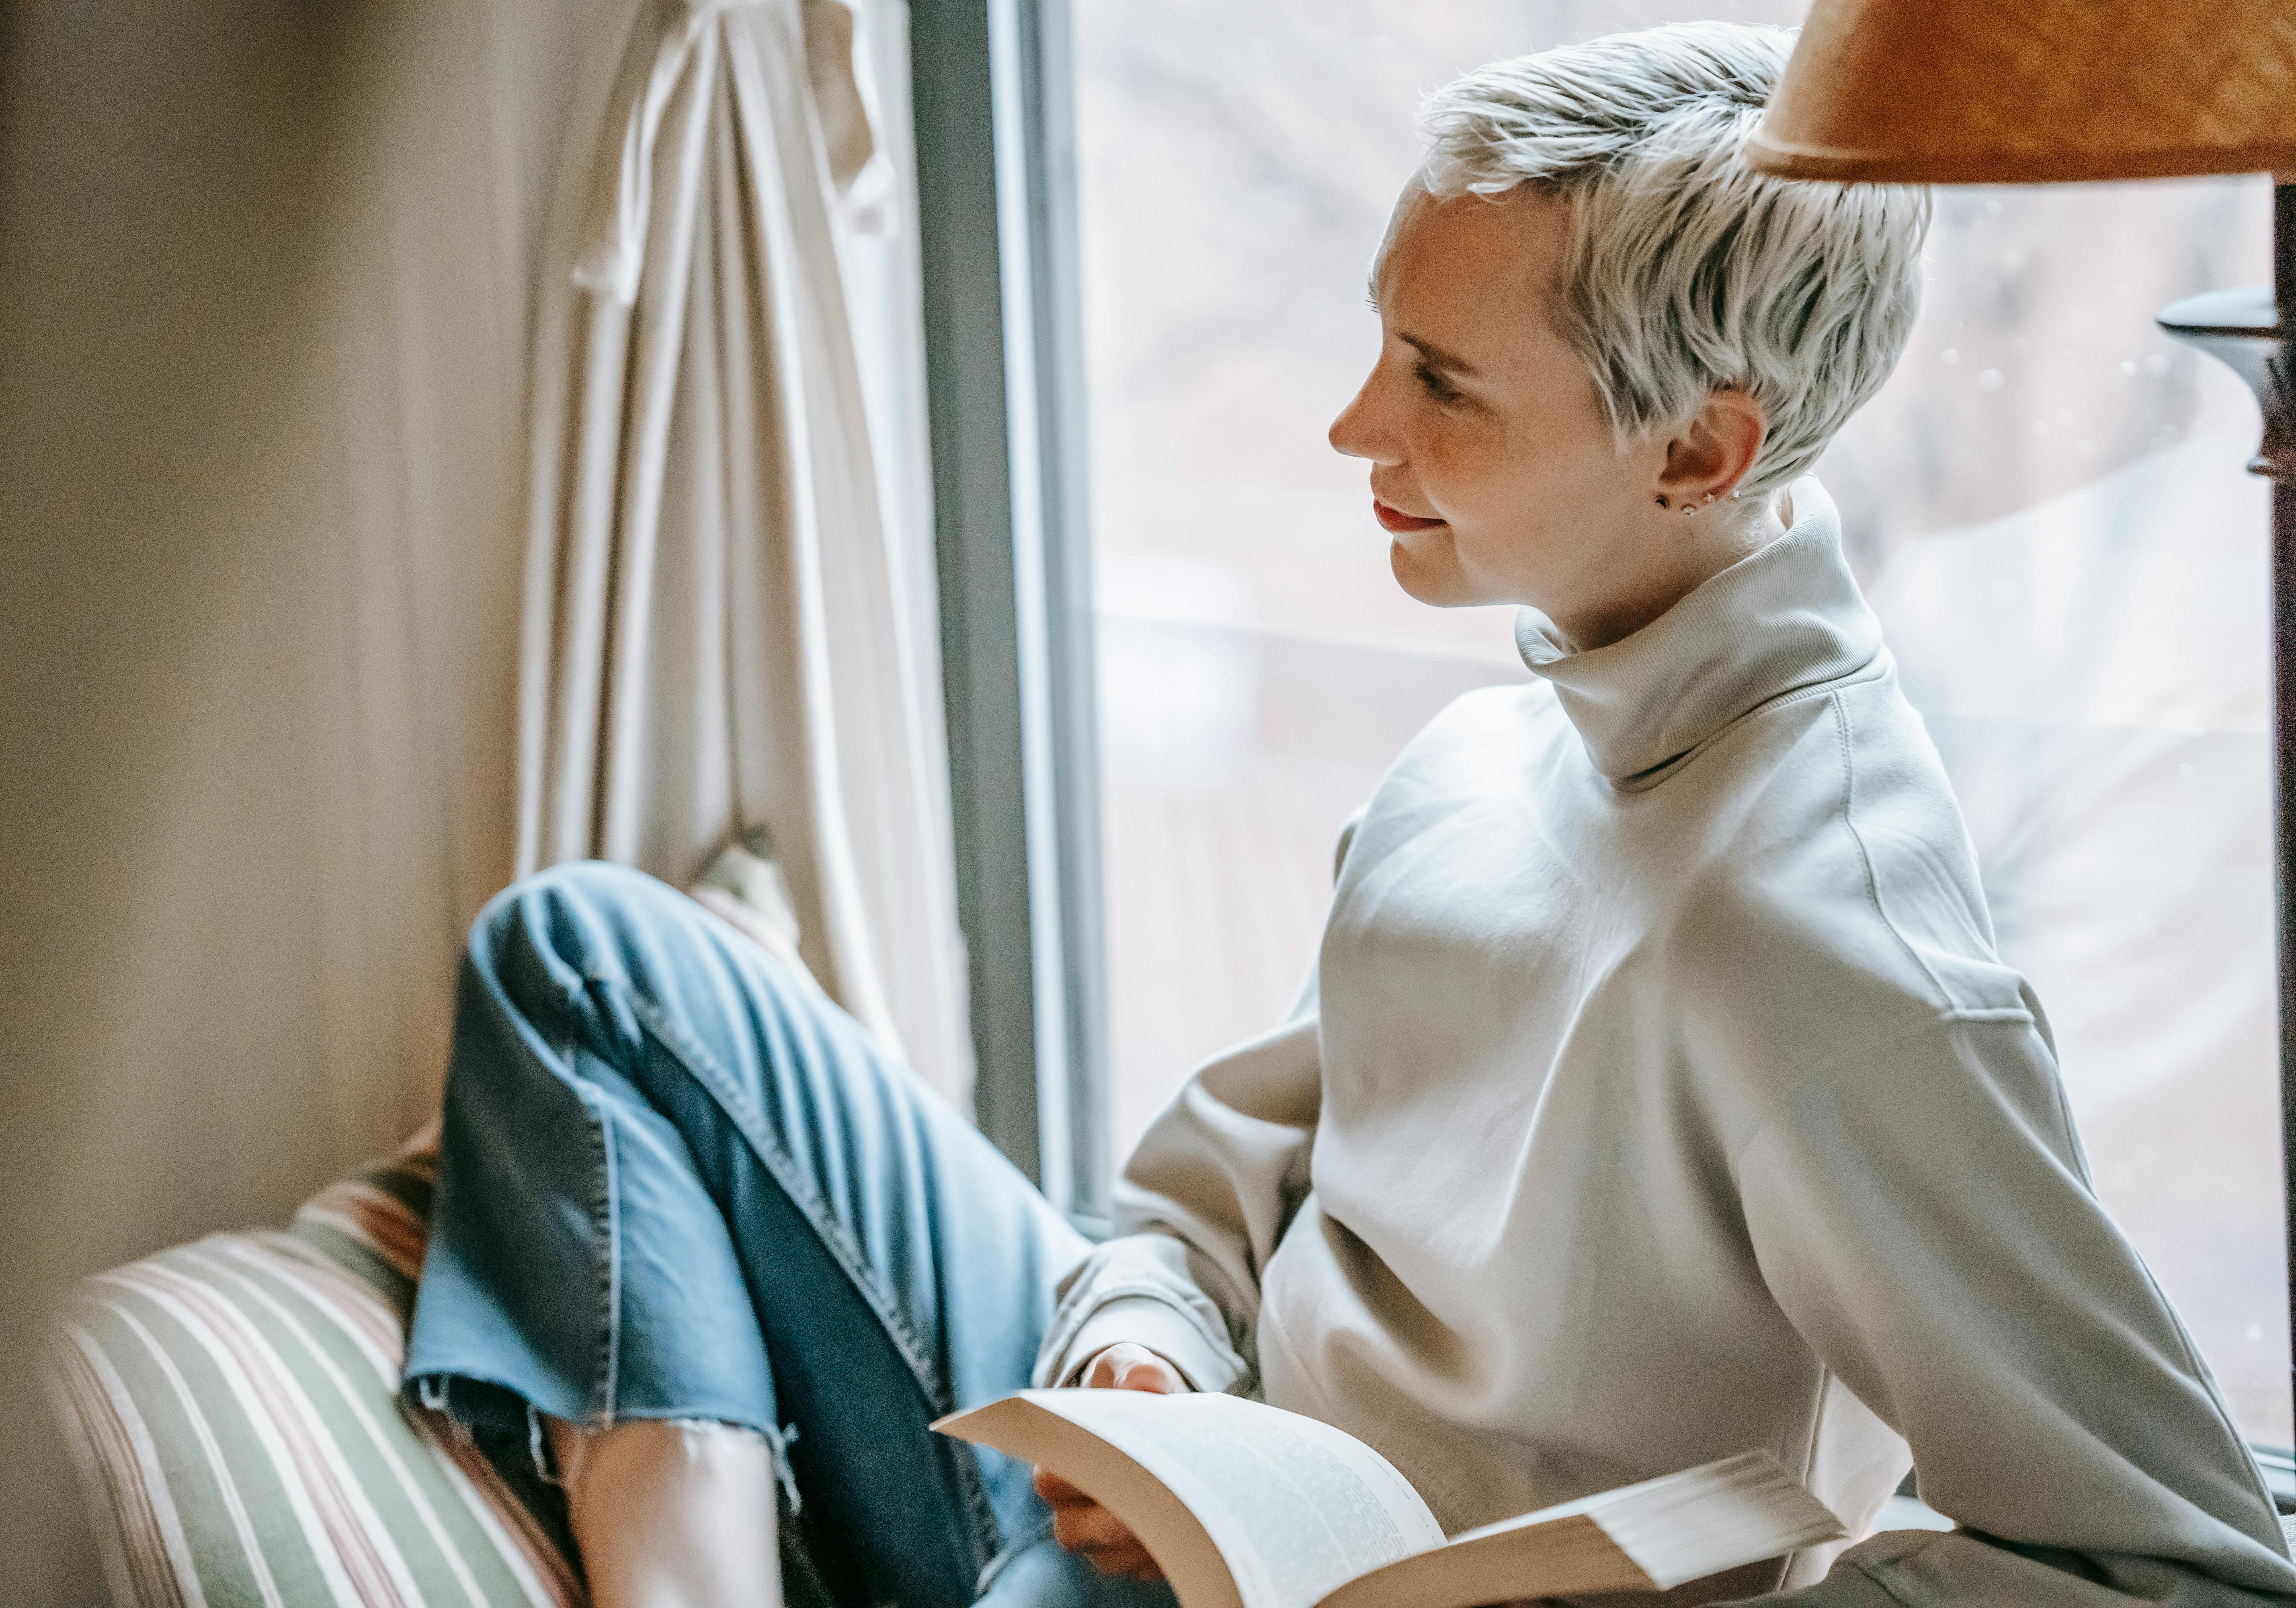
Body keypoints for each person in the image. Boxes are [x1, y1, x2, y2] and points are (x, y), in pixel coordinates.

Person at [404, 21, 2296, 1608]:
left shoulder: (1827, 942)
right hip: (1163, 1497)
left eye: (1441, 383)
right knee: (587, 957)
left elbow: (2181, 1560)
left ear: (1706, 446)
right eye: (1387, 342)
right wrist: (1136, 1352)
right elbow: (1191, 1198)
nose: (1351, 430)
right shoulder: (1490, 753)